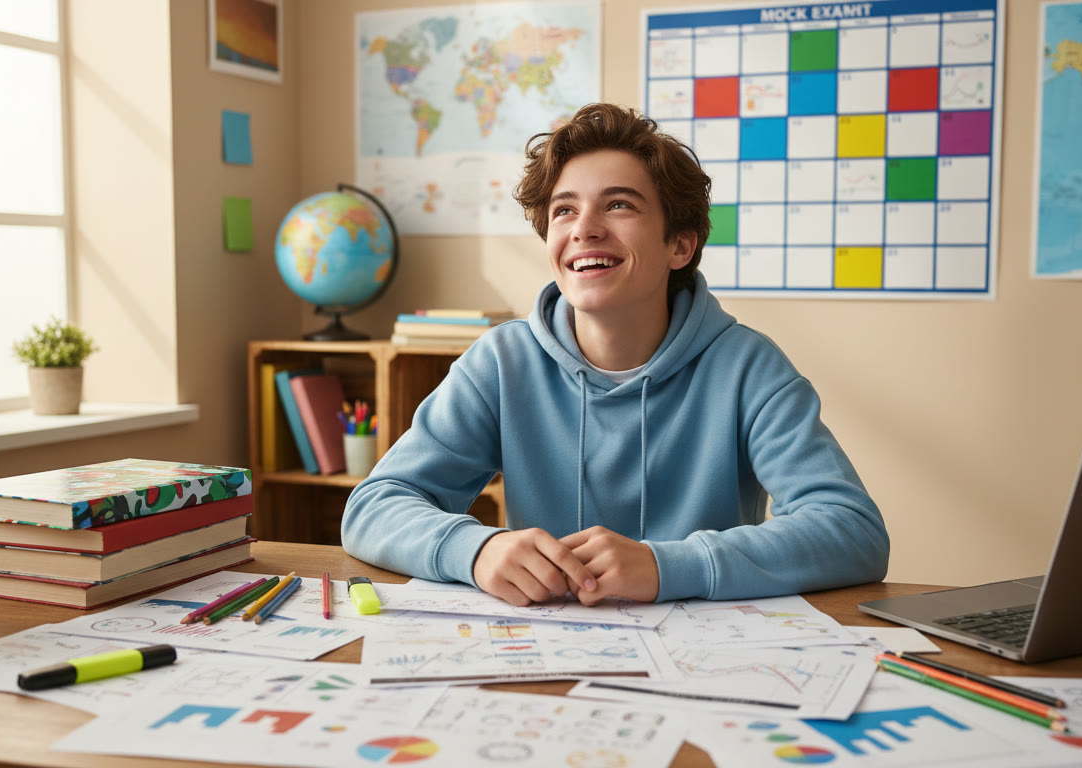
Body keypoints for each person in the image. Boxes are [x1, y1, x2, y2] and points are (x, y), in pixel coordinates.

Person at [342, 103, 889, 606]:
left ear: (681, 245)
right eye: (564, 210)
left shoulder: (748, 367)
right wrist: (476, 550)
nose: (584, 229)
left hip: (707, 663)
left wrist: (668, 564)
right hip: (546, 657)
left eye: (619, 204)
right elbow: (373, 507)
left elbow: (852, 530)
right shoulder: (501, 362)